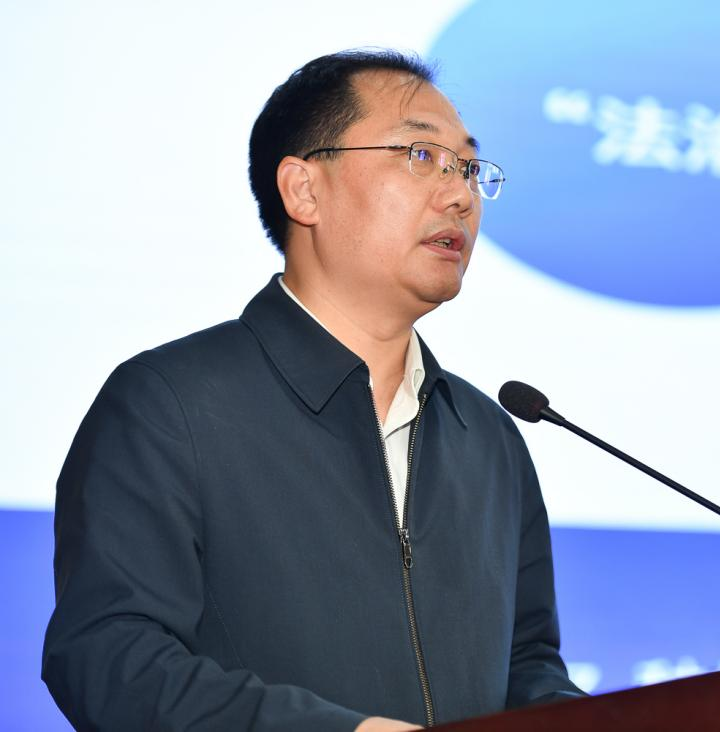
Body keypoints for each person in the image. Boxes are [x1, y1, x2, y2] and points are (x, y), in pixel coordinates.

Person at [43, 49, 583, 731]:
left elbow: (527, 667)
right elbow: (109, 657)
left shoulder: (489, 436)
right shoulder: (169, 404)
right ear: (303, 190)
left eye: (469, 168)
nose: (460, 195)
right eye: (421, 156)